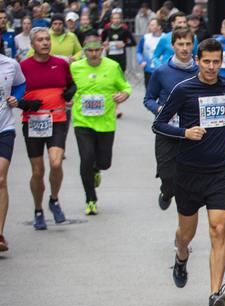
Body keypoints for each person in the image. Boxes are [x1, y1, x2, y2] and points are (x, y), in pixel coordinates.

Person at [153, 37, 225, 306]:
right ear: (197, 60)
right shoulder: (184, 89)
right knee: (187, 234)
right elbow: (159, 124)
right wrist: (185, 133)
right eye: (207, 61)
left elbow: (221, 117)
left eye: (217, 62)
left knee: (218, 229)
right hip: (189, 172)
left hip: (221, 171)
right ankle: (181, 255)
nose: (212, 67)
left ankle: (214, 294)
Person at [19, 27, 74, 230]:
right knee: (37, 171)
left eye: (47, 39)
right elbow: (14, 95)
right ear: (32, 44)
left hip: (57, 118)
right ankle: (38, 210)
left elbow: (71, 84)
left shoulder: (60, 64)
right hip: (32, 121)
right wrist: (24, 103)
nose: (45, 43)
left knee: (56, 163)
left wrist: (70, 93)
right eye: (40, 40)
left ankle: (54, 199)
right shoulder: (23, 67)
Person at [69, 35, 132, 215]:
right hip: (82, 121)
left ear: (102, 49)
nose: (94, 54)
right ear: (84, 51)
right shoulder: (75, 67)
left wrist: (124, 95)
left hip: (106, 122)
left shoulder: (112, 66)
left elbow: (125, 86)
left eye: (97, 50)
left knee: (104, 163)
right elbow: (66, 87)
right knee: (86, 158)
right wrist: (66, 98)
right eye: (90, 50)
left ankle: (97, 169)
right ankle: (90, 199)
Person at [144, 27, 198, 210]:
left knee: (190, 175)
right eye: (180, 44)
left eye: (188, 44)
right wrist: (159, 109)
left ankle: (187, 209)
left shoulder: (201, 72)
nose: (184, 48)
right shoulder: (161, 72)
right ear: (173, 45)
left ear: (193, 46)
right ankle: (166, 192)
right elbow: (148, 98)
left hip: (193, 131)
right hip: (167, 129)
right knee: (168, 176)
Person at [0, 51, 27, 251]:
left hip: (4, 128)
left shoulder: (9, 64)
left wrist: (16, 98)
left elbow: (20, 84)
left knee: (0, 179)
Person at [100, 8, 134, 73]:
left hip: (121, 57)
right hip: (110, 57)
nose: (116, 20)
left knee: (120, 75)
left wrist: (124, 45)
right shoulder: (107, 30)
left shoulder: (125, 30)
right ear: (111, 20)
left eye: (118, 18)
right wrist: (105, 44)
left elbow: (133, 42)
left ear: (121, 19)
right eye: (114, 18)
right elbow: (102, 41)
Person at [136, 18, 164, 86]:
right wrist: (141, 61)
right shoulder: (145, 37)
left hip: (163, 70)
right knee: (149, 92)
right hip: (149, 70)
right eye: (149, 25)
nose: (149, 27)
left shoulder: (165, 37)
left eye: (152, 25)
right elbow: (138, 51)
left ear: (159, 27)